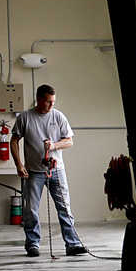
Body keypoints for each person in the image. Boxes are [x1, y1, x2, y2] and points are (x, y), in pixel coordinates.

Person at [10, 84, 87, 257]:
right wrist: (19, 165)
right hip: (33, 172)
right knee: (30, 210)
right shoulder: (25, 118)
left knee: (64, 208)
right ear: (38, 99)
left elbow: (69, 141)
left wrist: (54, 145)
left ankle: (72, 244)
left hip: (56, 170)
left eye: (53, 102)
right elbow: (14, 141)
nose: (51, 105)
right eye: (48, 102)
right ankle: (32, 244)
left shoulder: (58, 116)